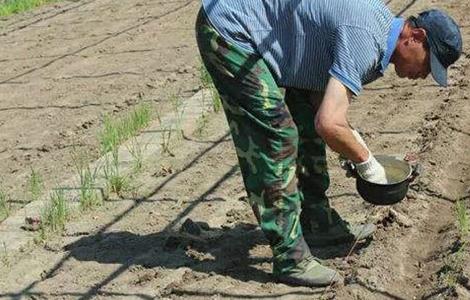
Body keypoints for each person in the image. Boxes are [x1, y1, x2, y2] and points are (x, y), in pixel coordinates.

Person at [195, 0, 462, 287]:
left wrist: (352, 145)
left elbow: (320, 105)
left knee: (306, 119)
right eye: (428, 63)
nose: (424, 75)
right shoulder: (367, 39)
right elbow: (330, 122)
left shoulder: (378, 30)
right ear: (416, 37)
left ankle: (317, 222)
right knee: (276, 135)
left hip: (264, 35)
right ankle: (290, 257)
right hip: (231, 32)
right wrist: (369, 165)